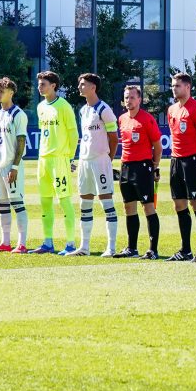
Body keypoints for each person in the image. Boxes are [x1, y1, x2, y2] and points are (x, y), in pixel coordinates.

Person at [70, 73, 120, 257]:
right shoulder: (83, 110)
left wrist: (108, 159)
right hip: (85, 161)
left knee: (106, 202)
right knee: (85, 203)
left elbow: (114, 138)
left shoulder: (104, 110)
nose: (79, 87)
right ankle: (84, 247)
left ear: (93, 87)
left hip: (100, 161)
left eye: (83, 84)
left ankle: (111, 248)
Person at [166, 71, 196, 261]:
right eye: (172, 85)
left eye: (177, 85)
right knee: (179, 204)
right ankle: (185, 249)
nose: (174, 88)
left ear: (187, 87)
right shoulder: (172, 110)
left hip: (193, 160)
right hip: (176, 160)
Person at [113, 82, 161, 259]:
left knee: (148, 207)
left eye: (132, 97)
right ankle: (131, 248)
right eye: (126, 97)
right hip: (126, 166)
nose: (129, 100)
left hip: (143, 167)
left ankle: (152, 250)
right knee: (128, 207)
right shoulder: (122, 118)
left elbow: (157, 146)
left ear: (139, 99)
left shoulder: (147, 119)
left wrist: (155, 167)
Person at [33, 71, 79, 254]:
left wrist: (70, 158)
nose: (40, 87)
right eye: (39, 84)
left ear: (53, 86)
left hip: (59, 160)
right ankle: (48, 242)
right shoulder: (40, 106)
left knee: (64, 201)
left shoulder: (64, 106)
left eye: (43, 84)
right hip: (43, 160)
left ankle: (70, 243)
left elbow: (73, 134)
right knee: (45, 202)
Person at [0, 77, 31, 253]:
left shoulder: (18, 114)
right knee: (3, 205)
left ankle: (22, 243)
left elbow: (21, 142)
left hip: (11, 167)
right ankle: (5, 242)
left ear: (11, 93)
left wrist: (14, 167)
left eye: (2, 91)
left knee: (17, 204)